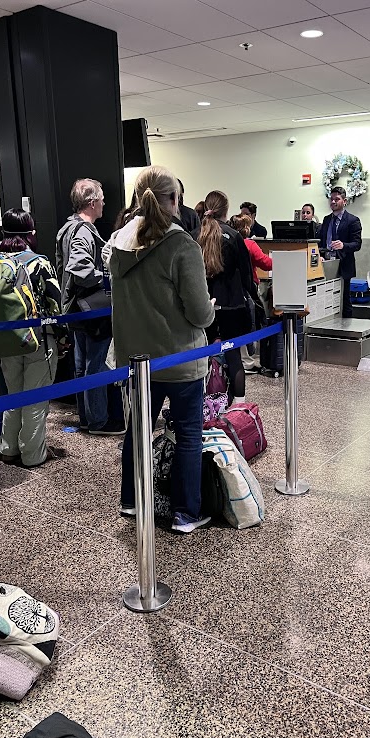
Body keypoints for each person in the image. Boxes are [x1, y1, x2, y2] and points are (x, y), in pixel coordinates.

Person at [107, 165, 215, 533]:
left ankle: (131, 500)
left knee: (137, 432)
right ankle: (186, 513)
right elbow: (199, 313)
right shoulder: (181, 245)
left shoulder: (118, 242)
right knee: (188, 435)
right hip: (181, 359)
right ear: (174, 200)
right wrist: (210, 308)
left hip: (138, 362)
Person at [56, 179, 123, 435]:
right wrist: (105, 278)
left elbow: (63, 268)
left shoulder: (67, 228)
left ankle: (87, 418)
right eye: (102, 199)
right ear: (92, 202)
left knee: (81, 365)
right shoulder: (84, 231)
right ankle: (98, 421)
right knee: (95, 364)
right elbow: (79, 268)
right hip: (90, 310)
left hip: (75, 308)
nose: (104, 203)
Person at [0, 209, 62, 467]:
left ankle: (8, 449)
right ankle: (33, 455)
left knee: (13, 396)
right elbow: (55, 304)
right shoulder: (39, 263)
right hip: (37, 340)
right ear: (30, 233)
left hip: (5, 340)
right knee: (35, 399)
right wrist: (62, 337)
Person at [194, 192, 255, 402]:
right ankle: (239, 404)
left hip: (202, 304)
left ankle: (201, 404)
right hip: (231, 304)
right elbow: (246, 274)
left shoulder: (194, 235)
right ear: (226, 210)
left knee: (200, 357)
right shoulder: (234, 236)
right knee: (234, 355)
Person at [228, 213, 271, 373]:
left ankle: (238, 358)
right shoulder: (250, 244)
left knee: (236, 325)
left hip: (230, 289)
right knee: (251, 323)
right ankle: (248, 360)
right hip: (248, 288)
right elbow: (265, 263)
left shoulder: (227, 241)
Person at [319, 186, 362, 318]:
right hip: (326, 263)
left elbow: (357, 244)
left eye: (336, 199)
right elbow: (321, 241)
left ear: (345, 201)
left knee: (344, 299)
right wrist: (320, 255)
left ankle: (347, 324)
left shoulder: (353, 220)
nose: (333, 202)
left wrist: (343, 245)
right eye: (331, 199)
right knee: (327, 299)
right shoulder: (326, 219)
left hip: (343, 264)